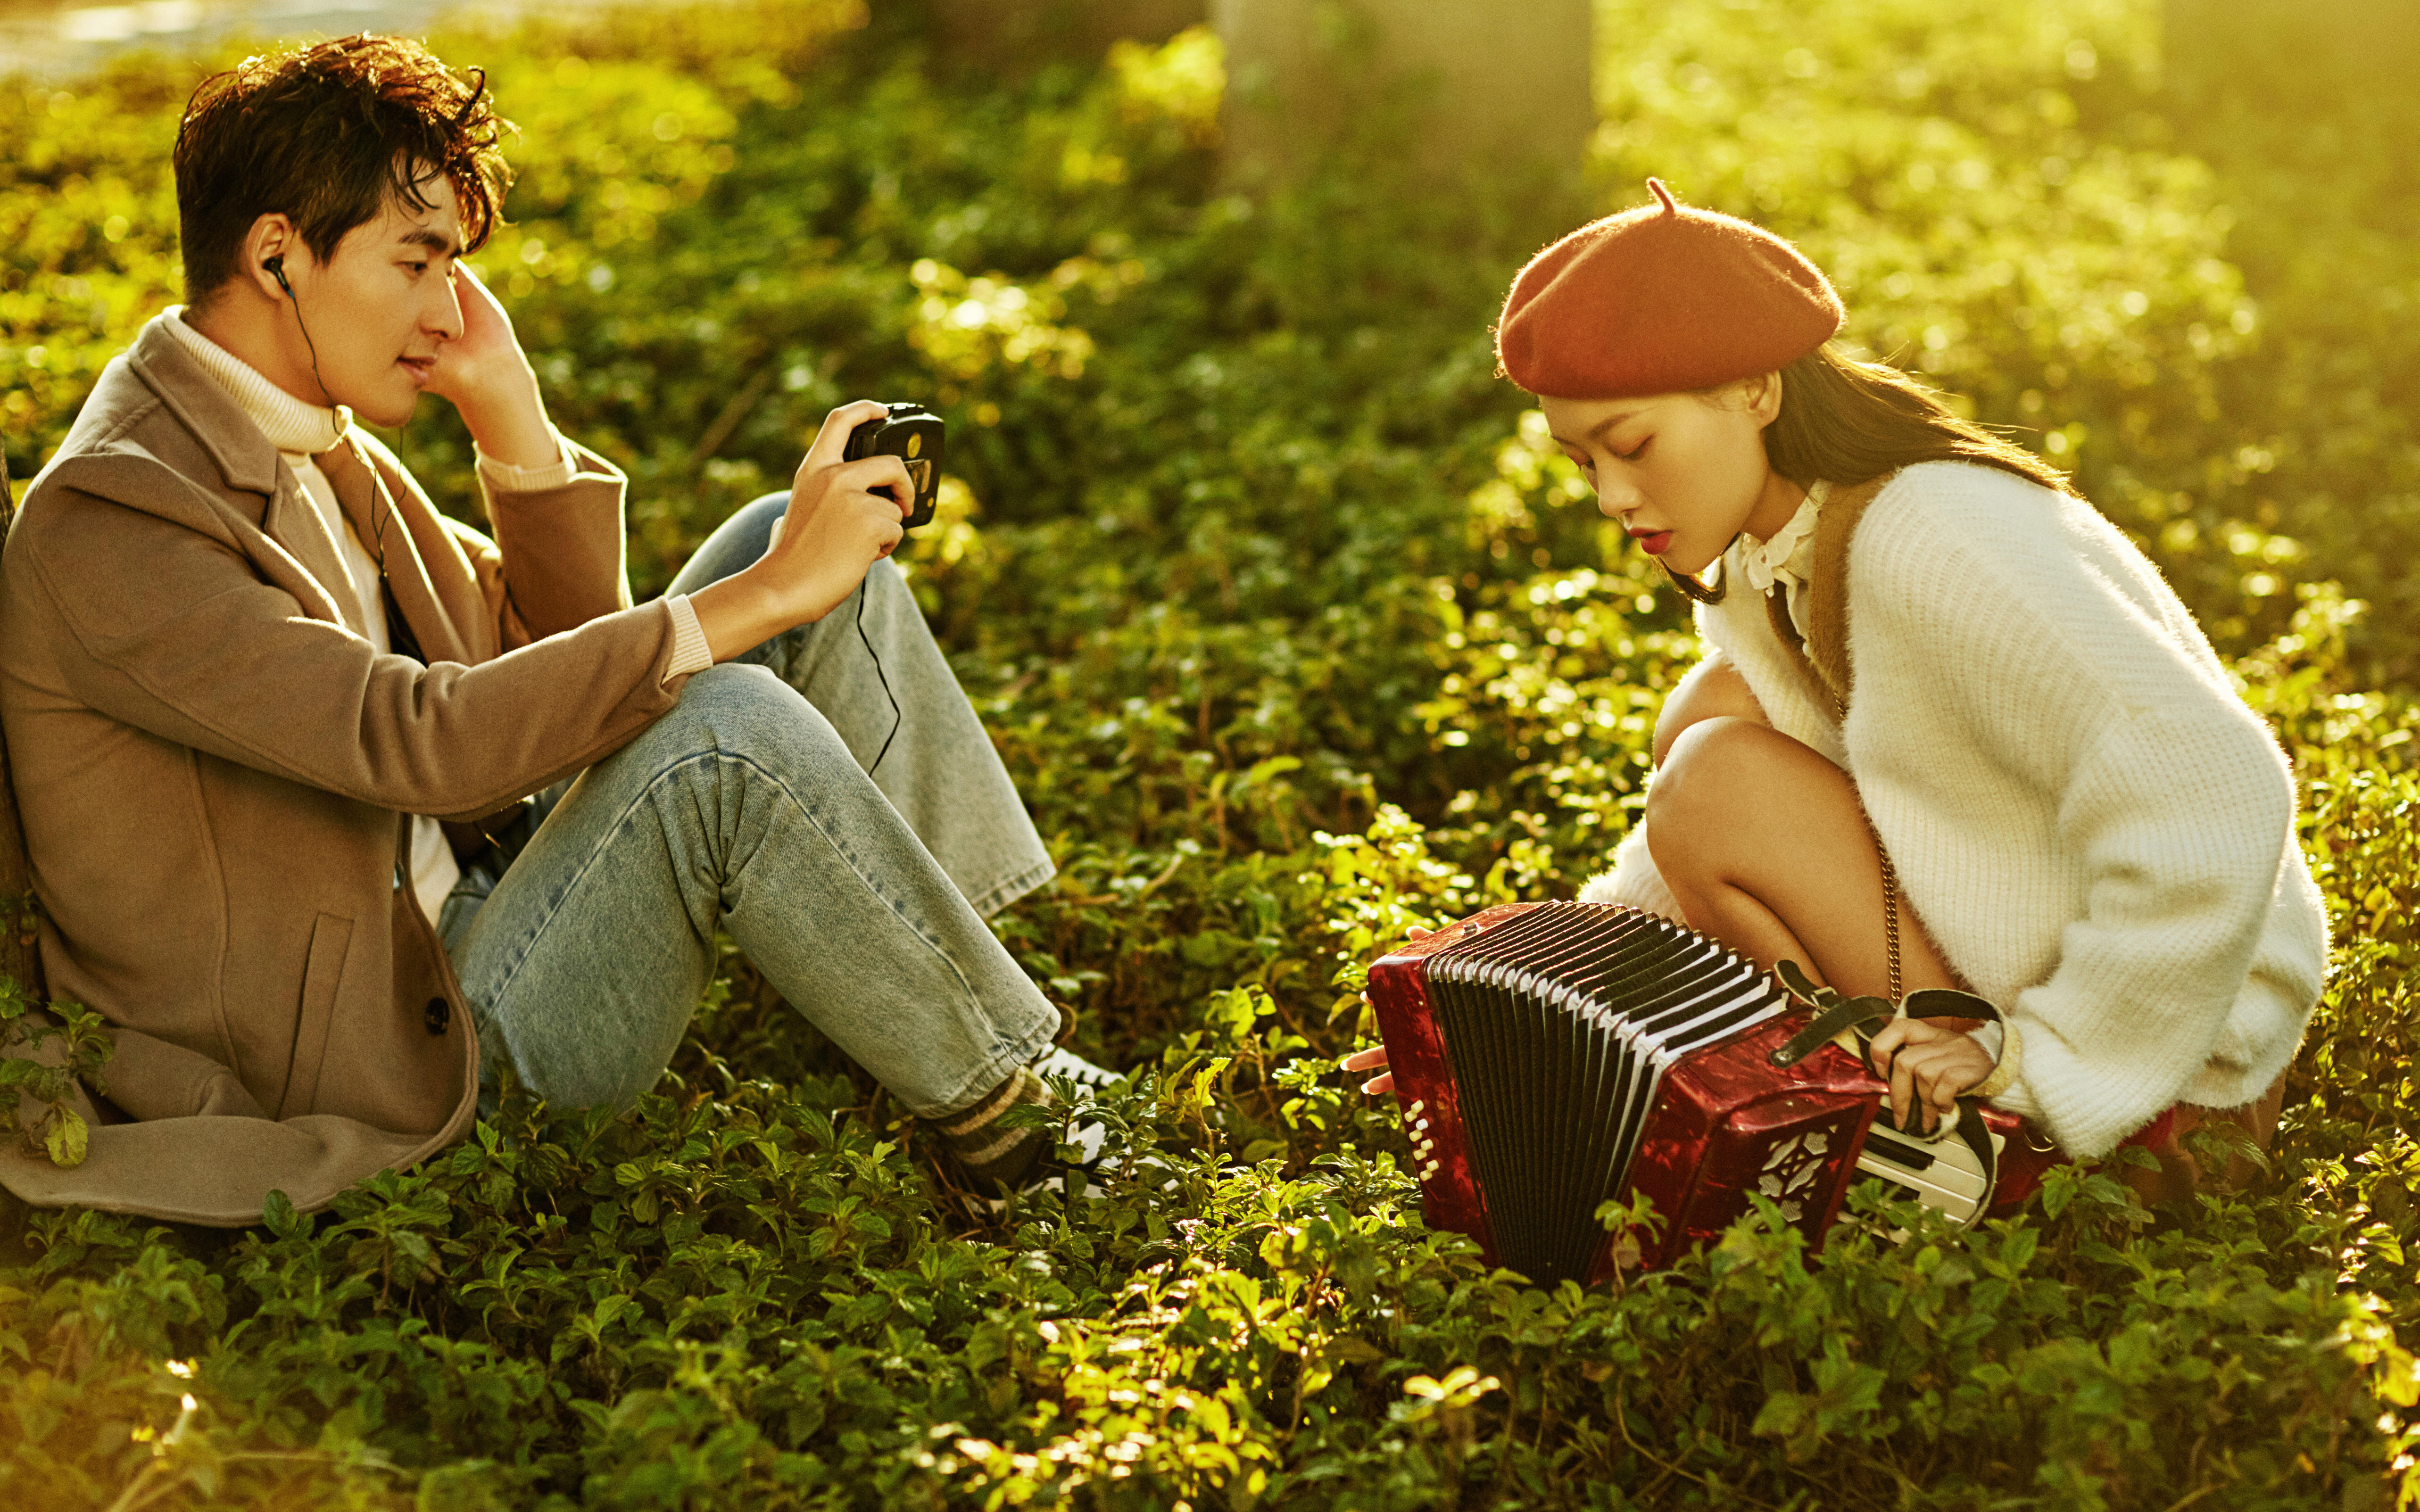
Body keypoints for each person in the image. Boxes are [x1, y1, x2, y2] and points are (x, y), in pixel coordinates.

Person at [0, 35, 1111, 1227]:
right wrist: (768, 593)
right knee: (722, 730)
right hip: (401, 1051)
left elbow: (559, 663)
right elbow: (423, 738)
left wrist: (511, 416)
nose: (447, 312)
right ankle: (1017, 1118)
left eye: (454, 268)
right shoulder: (118, 517)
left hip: (485, 899)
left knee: (773, 544)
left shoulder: (303, 436)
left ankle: (973, 1004)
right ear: (277, 255)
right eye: (417, 262)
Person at [1345, 180, 2326, 1204]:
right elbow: (1697, 841)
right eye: (1582, 460)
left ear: (1756, 391)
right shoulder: (1772, 554)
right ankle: (1878, 1110)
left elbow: (2219, 784)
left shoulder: (1938, 539)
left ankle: (1970, 1154)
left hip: (2169, 1088)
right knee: (1712, 717)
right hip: (2033, 988)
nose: (1612, 496)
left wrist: (2043, 1058)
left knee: (1715, 777)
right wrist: (1534, 986)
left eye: (1632, 446)